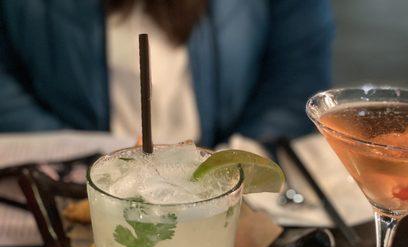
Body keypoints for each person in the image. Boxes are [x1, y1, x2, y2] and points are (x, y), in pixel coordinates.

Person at [0, 0, 334, 147]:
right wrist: (83, 161)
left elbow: (297, 74)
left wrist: (233, 165)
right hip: (77, 184)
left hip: (225, 184)